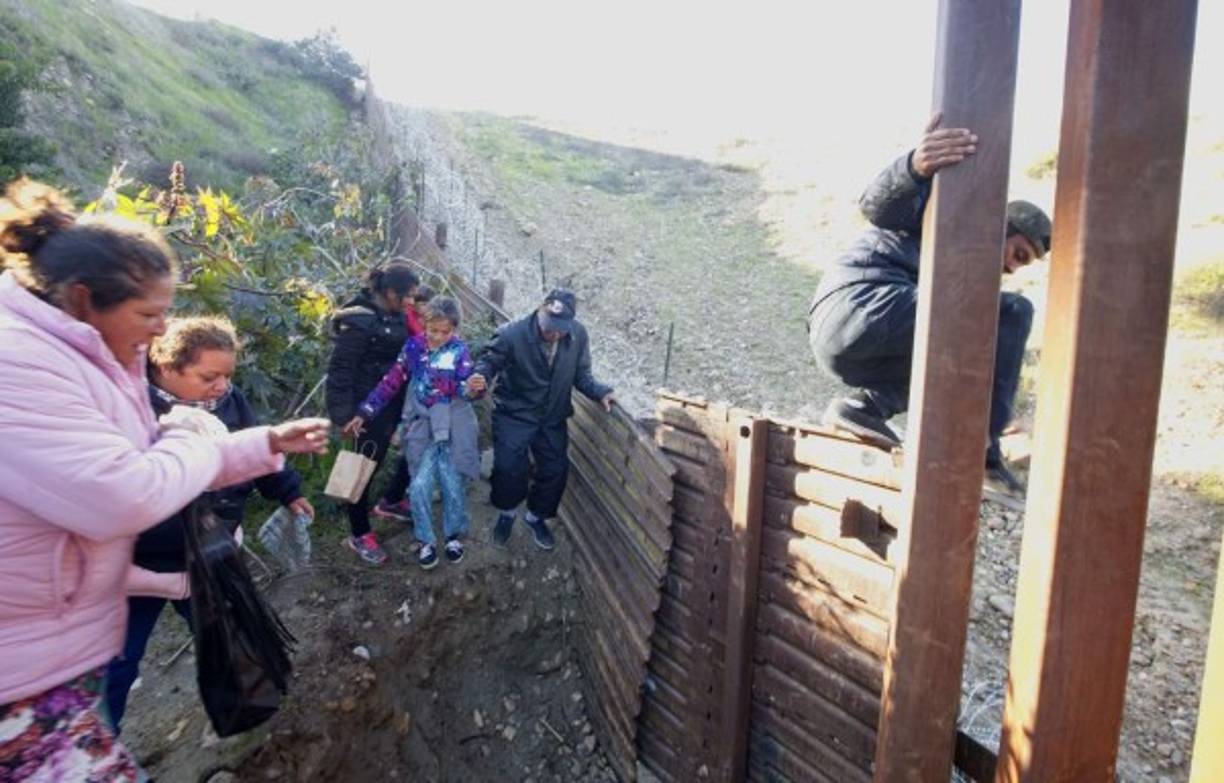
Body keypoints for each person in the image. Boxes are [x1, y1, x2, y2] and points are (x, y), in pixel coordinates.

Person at [0, 179, 329, 781]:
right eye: (149, 314)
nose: (158, 330)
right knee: (125, 670)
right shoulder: (18, 362)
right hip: (21, 670)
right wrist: (194, 429)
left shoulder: (92, 354)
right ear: (84, 299)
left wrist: (264, 444)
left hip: (55, 644)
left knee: (214, 636)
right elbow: (124, 493)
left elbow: (153, 457)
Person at [807, 113, 1052, 495]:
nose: (1013, 267)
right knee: (1013, 312)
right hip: (859, 306)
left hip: (854, 345)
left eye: (1023, 263)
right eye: (1018, 254)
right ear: (1000, 227)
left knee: (958, 357)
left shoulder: (960, 278)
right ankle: (983, 453)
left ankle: (862, 408)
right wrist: (914, 167)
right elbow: (877, 206)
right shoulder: (946, 218)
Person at [104, 316, 315, 730]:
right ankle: (101, 738)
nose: (221, 386)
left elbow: (256, 447)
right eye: (209, 377)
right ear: (167, 367)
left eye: (227, 375)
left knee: (234, 635)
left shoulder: (230, 402)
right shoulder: (132, 409)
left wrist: (288, 490)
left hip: (212, 550)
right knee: (118, 660)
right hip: (143, 564)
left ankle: (257, 710)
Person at [469, 289, 615, 551]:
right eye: (549, 327)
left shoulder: (578, 335)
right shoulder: (511, 334)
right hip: (514, 413)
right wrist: (480, 378)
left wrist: (600, 392)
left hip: (552, 416)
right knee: (508, 468)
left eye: (560, 329)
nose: (554, 333)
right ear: (540, 311)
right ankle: (507, 513)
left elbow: (582, 375)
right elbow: (488, 362)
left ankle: (535, 516)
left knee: (555, 470)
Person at [343, 296, 481, 569]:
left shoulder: (460, 351)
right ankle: (425, 539)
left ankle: (453, 536)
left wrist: (475, 388)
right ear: (424, 324)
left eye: (445, 332)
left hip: (452, 425)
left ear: (454, 329)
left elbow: (466, 388)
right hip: (420, 425)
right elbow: (391, 381)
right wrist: (365, 411)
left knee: (453, 482)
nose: (438, 337)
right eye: (433, 330)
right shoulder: (414, 347)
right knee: (419, 485)